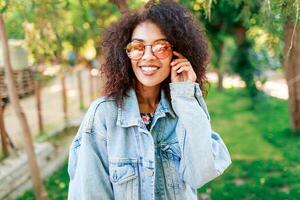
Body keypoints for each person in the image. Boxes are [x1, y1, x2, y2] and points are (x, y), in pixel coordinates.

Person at [67, 0, 231, 199]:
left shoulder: (184, 108)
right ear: (125, 53)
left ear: (177, 54)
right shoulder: (103, 115)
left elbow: (201, 174)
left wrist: (185, 96)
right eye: (138, 46)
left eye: (161, 47)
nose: (148, 56)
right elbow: (90, 193)